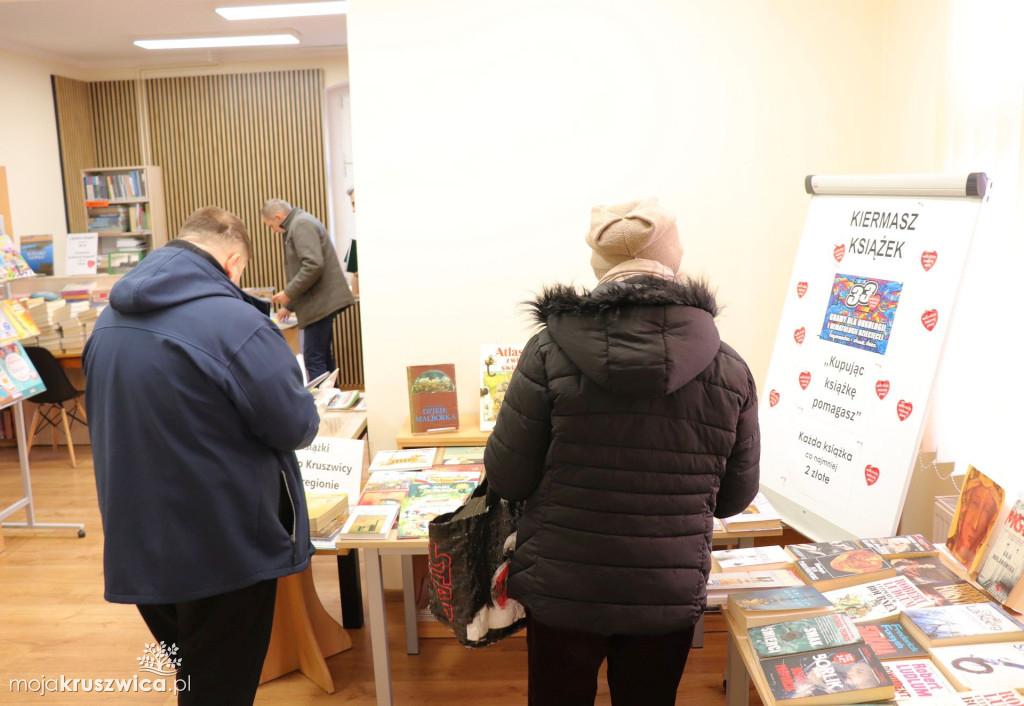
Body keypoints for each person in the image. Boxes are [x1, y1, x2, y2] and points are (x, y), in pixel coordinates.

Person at [484, 197, 761, 706]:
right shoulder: (730, 368)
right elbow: (734, 497)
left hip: (562, 587)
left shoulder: (547, 353)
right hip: (666, 590)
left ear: (601, 266)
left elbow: (508, 477)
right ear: (674, 262)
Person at [84, 206, 320, 705]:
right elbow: (296, 425)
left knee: (195, 674)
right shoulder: (236, 322)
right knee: (221, 687)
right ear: (234, 261)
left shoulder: (109, 319)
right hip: (222, 542)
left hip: (138, 543)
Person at [260, 198, 354, 380]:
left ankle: (323, 406)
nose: (272, 231)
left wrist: (288, 294)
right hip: (319, 302)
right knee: (323, 358)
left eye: (270, 225)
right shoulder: (299, 222)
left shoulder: (300, 224)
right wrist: (290, 305)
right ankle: (333, 403)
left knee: (314, 359)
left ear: (278, 217)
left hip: (319, 303)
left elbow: (312, 266)